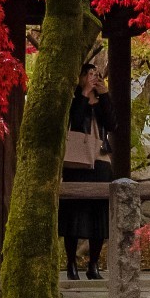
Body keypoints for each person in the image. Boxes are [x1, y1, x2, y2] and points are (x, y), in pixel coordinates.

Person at [60, 62, 116, 281]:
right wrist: (83, 94)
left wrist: (105, 95)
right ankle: (71, 263)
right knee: (73, 214)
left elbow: (113, 124)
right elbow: (73, 121)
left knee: (99, 215)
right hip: (76, 162)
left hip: (100, 161)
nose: (94, 78)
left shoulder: (102, 100)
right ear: (81, 76)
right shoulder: (73, 98)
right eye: (90, 74)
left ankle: (94, 263)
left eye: (97, 75)